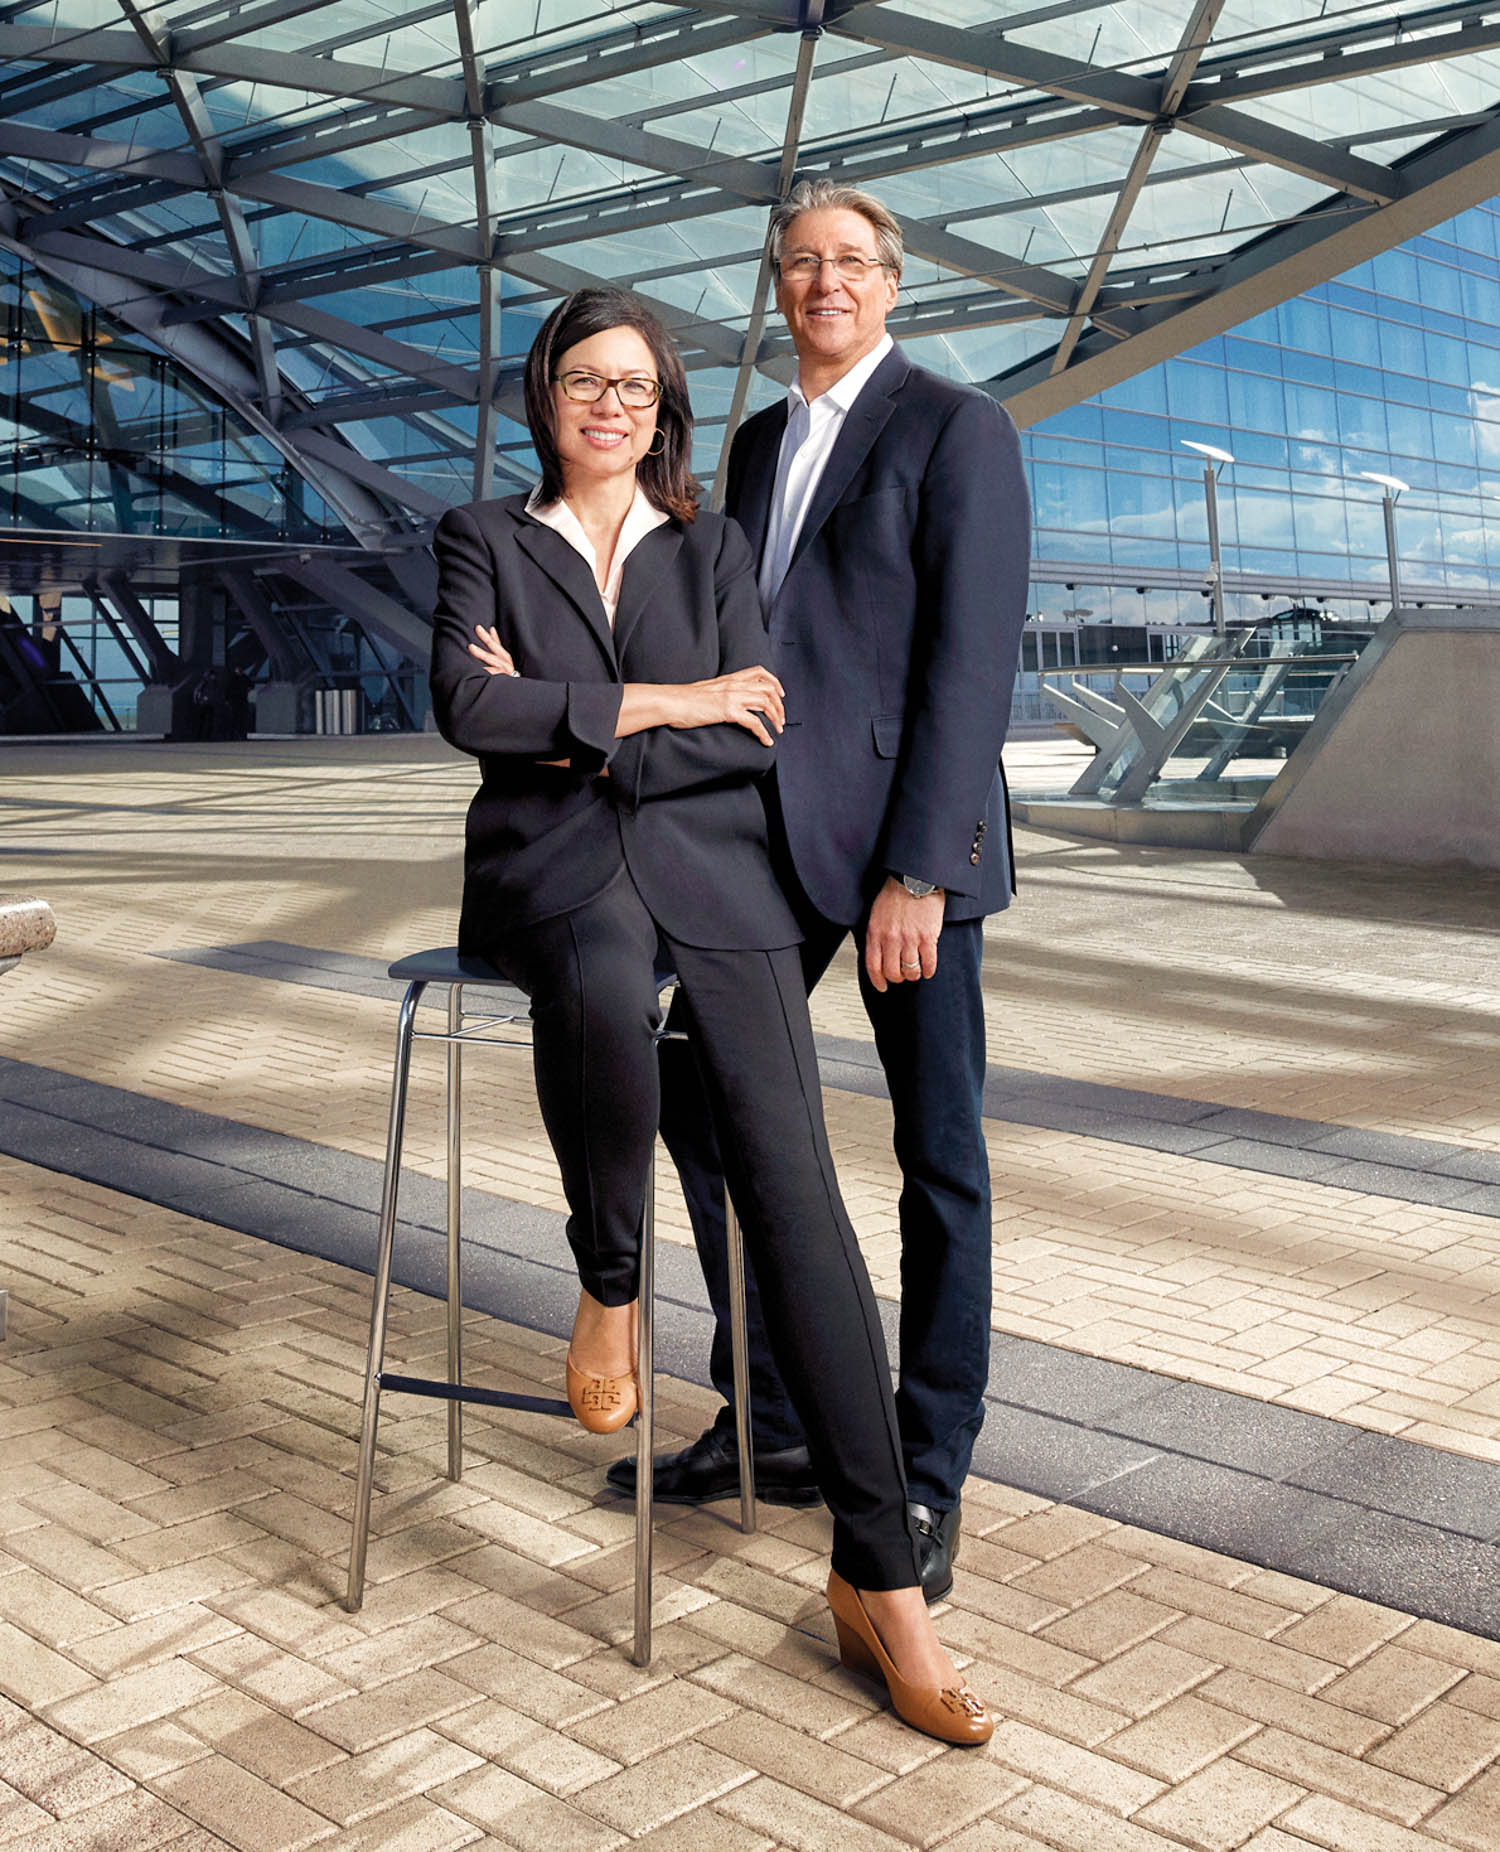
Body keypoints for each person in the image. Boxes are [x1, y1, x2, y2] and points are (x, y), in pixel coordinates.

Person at [429, 286, 991, 1746]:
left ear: (663, 406)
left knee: (799, 1191)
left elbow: (758, 725)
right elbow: (463, 711)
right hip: (552, 876)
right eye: (584, 380)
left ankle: (881, 1584)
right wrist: (672, 699)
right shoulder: (481, 537)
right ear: (544, 394)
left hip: (716, 872)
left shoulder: (715, 542)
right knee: (609, 981)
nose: (610, 404)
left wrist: (581, 711)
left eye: (635, 385)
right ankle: (611, 1278)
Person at [609, 180, 1031, 1605]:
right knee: (691, 1081)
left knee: (939, 1161)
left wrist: (922, 870)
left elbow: (971, 667)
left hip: (906, 850)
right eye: (800, 262)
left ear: (892, 284)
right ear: (777, 287)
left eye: (849, 260)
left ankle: (926, 1466)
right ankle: (779, 1414)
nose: (824, 281)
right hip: (769, 839)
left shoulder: (958, 430)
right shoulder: (757, 439)